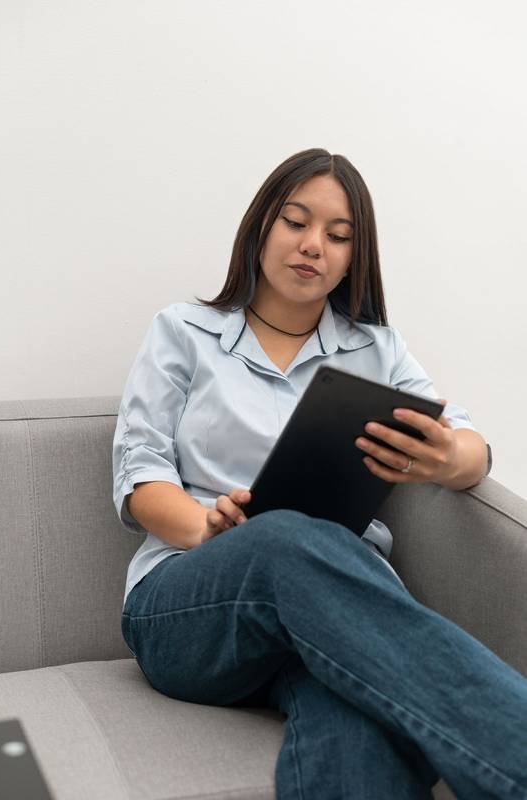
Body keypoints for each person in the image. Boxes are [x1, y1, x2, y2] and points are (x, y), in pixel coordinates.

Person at [113, 148, 525, 800]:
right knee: (282, 537)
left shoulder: (376, 349)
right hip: (192, 610)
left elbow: (469, 443)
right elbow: (141, 473)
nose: (314, 247)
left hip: (331, 618)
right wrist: (204, 529)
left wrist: (452, 458)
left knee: (363, 733)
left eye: (338, 236)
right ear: (261, 229)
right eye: (296, 222)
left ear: (354, 258)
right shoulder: (183, 332)